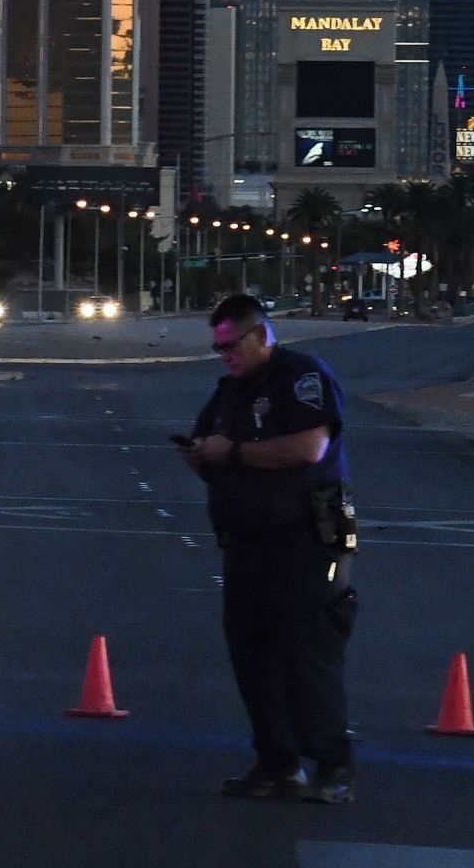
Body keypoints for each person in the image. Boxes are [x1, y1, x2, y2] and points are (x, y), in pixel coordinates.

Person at [176, 293, 359, 805]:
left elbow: (308, 448)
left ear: (261, 335)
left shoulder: (300, 377)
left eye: (231, 345)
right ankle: (276, 762)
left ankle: (333, 765)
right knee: (252, 654)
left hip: (303, 539)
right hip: (247, 542)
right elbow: (208, 443)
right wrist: (203, 455)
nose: (225, 356)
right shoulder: (231, 390)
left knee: (308, 651)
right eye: (218, 349)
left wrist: (233, 452)